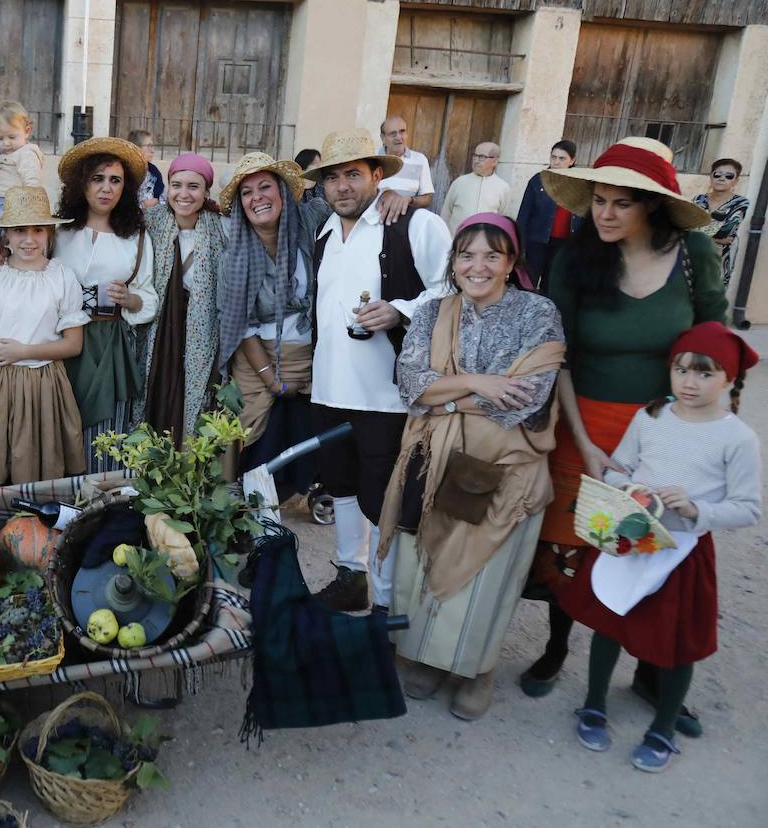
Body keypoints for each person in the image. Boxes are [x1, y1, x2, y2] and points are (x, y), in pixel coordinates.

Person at [520, 137, 727, 725]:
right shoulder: (573, 257)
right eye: (598, 200)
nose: (603, 214)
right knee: (575, 552)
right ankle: (557, 647)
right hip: (585, 425)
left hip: (669, 432)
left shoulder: (694, 254)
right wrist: (584, 443)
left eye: (620, 204)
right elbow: (556, 354)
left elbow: (714, 344)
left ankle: (652, 672)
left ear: (652, 208)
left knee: (662, 553)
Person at [377, 213, 565, 720]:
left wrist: (448, 396)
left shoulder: (538, 313)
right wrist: (481, 385)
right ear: (453, 261)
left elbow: (527, 399)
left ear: (511, 262)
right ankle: (424, 657)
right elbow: (411, 385)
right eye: (466, 255)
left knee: (486, 572)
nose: (477, 266)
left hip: (507, 462)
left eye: (491, 255)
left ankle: (475, 669)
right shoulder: (433, 311)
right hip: (436, 458)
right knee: (425, 561)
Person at [567, 323, 759, 773]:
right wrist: (628, 487)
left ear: (729, 379)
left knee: (677, 643)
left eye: (706, 373)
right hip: (631, 537)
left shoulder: (738, 439)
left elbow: (747, 508)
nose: (690, 383)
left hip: (683, 552)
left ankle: (664, 727)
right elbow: (619, 467)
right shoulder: (649, 416)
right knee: (610, 621)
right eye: (681, 370)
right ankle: (594, 704)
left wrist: (697, 510)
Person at [302, 127, 452, 613]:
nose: (342, 186)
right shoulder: (324, 236)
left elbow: (453, 288)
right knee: (341, 487)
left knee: (387, 501)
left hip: (387, 400)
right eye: (333, 178)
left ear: (376, 176)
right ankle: (352, 577)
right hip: (329, 390)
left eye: (353, 174)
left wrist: (401, 311)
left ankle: (387, 605)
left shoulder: (414, 225)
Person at [218, 152, 326, 497]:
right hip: (257, 360)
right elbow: (242, 326)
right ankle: (254, 505)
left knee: (302, 429)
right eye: (247, 193)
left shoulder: (311, 225)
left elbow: (355, 206)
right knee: (255, 441)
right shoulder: (233, 258)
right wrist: (271, 379)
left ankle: (302, 495)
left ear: (282, 193)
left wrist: (392, 196)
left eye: (265, 187)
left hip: (308, 356)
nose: (257, 198)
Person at [0, 186, 87, 486]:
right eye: (19, 230)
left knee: (37, 459)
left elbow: (74, 344)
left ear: (50, 233)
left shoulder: (62, 276)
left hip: (42, 381)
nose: (29, 239)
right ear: (5, 235)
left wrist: (25, 352)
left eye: (38, 230)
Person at [53, 137, 157, 473]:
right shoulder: (58, 232)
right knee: (60, 419)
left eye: (115, 180)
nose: (106, 188)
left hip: (110, 343)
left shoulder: (136, 237)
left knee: (105, 430)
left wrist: (131, 299)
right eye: (97, 179)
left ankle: (100, 503)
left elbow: (147, 294)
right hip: (60, 340)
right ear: (81, 183)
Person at [135, 153, 224, 447]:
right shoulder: (150, 223)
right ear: (167, 188)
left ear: (206, 192)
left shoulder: (222, 228)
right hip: (160, 332)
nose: (183, 194)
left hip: (202, 332)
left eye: (194, 187)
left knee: (196, 401)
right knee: (157, 393)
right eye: (176, 185)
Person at [0, 100, 46, 256]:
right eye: (0, 138)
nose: (6, 143)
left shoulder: (26, 153)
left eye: (12, 136)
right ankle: (1, 252)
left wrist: (27, 205)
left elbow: (32, 180)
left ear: (27, 131)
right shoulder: (8, 151)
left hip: (11, 202)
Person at [515, 140, 578, 291]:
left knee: (551, 284)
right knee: (528, 281)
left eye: (562, 158)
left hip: (564, 244)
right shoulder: (538, 180)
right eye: (553, 157)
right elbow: (524, 214)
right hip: (536, 241)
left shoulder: (579, 183)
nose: (556, 162)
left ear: (572, 160)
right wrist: (519, 243)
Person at [693, 157, 751, 287]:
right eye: (717, 174)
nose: (722, 178)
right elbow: (686, 227)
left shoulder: (741, 203)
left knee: (710, 301)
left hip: (719, 260)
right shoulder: (698, 200)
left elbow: (725, 231)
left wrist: (698, 232)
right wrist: (718, 239)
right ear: (711, 176)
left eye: (729, 176)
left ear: (736, 181)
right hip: (692, 257)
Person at [439, 142, 510, 232]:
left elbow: (502, 219)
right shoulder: (459, 182)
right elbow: (445, 214)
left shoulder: (503, 187)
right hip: (456, 241)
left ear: (494, 161)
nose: (476, 160)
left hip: (484, 242)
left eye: (482, 157)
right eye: (475, 156)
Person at [376, 114, 435, 222]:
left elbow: (428, 198)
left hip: (405, 224)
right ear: (383, 138)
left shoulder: (420, 159)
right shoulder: (372, 159)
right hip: (374, 223)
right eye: (393, 133)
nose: (399, 137)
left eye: (402, 131)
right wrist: (383, 194)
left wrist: (409, 200)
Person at [129, 129, 164, 209]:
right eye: (149, 146)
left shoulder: (154, 172)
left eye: (152, 146)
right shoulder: (125, 173)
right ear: (136, 148)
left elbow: (162, 198)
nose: (152, 151)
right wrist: (143, 205)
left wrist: (157, 200)